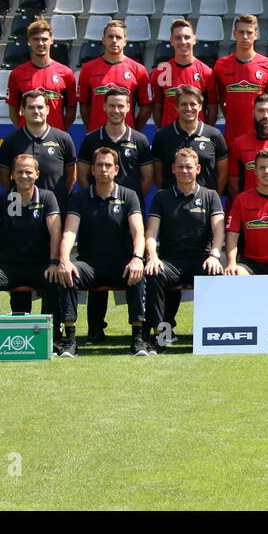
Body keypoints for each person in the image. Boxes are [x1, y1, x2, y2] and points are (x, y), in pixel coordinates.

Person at [58, 146, 156, 357]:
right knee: (67, 274)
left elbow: (139, 232)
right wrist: (64, 259)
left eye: (108, 165)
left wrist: (137, 258)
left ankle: (138, 339)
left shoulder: (129, 195)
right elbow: (69, 232)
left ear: (116, 169)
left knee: (138, 273)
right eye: (99, 165)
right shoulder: (79, 198)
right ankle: (70, 340)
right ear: (92, 170)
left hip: (120, 264)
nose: (104, 169)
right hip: (90, 264)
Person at [75, 86, 154, 343]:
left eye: (121, 106)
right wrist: (98, 201)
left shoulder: (140, 140)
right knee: (94, 263)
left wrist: (125, 199)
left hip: (129, 213)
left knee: (130, 266)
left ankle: (140, 330)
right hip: (96, 211)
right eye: (112, 105)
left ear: (128, 107)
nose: (117, 110)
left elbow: (147, 179)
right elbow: (83, 176)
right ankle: (95, 330)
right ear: (104, 107)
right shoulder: (91, 139)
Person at [0, 154, 64, 358]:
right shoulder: (2, 199)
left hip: (40, 266)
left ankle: (54, 339)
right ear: (12, 175)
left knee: (56, 279)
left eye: (28, 171)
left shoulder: (48, 197)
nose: (24, 175)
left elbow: (56, 232)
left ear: (37, 174)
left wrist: (53, 263)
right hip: (9, 268)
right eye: (19, 172)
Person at [143, 147, 224, 351]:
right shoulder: (161, 197)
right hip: (170, 262)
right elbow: (151, 233)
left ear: (197, 169)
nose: (184, 171)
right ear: (172, 169)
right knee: (153, 273)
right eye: (180, 167)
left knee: (216, 272)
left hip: (201, 261)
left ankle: (210, 333)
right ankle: (162, 335)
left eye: (189, 167)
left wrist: (215, 254)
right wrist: (152, 257)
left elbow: (219, 230)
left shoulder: (210, 195)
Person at [0, 89, 76, 209]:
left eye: (40, 107)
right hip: (20, 209)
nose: (36, 111)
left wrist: (57, 197)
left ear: (47, 110)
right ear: (22, 110)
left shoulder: (63, 138)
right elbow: (4, 179)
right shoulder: (11, 141)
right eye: (31, 107)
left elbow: (71, 177)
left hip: (56, 210)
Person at [211, 13, 268, 148]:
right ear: (235, 34)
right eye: (241, 32)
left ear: (256, 34)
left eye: (249, 32)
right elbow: (221, 97)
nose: (245, 36)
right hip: (232, 136)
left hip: (260, 136)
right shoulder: (221, 65)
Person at [151, 84, 228, 194]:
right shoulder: (162, 136)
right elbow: (158, 177)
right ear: (176, 107)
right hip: (172, 206)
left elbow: (223, 175)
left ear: (200, 106)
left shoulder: (214, 135)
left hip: (205, 206)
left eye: (193, 104)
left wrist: (211, 199)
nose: (188, 108)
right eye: (184, 104)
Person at [76, 19, 150, 129]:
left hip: (126, 137)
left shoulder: (139, 70)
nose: (114, 41)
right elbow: (84, 106)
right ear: (103, 40)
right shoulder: (88, 69)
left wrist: (133, 131)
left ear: (125, 41)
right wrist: (93, 130)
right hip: (97, 135)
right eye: (110, 37)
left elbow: (146, 107)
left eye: (118, 37)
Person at [6, 19, 77, 130]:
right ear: (29, 41)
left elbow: (71, 111)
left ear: (51, 40)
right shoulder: (17, 73)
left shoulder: (66, 73)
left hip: (55, 138)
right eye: (36, 39)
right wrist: (25, 129)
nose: (40, 43)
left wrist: (59, 131)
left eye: (44, 39)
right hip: (27, 138)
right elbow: (13, 110)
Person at [150, 18, 217, 128]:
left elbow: (212, 109)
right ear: (171, 41)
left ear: (194, 39)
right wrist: (163, 131)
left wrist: (204, 132)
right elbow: (157, 108)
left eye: (187, 37)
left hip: (197, 136)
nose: (183, 42)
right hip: (170, 135)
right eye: (178, 38)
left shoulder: (207, 72)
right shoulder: (161, 72)